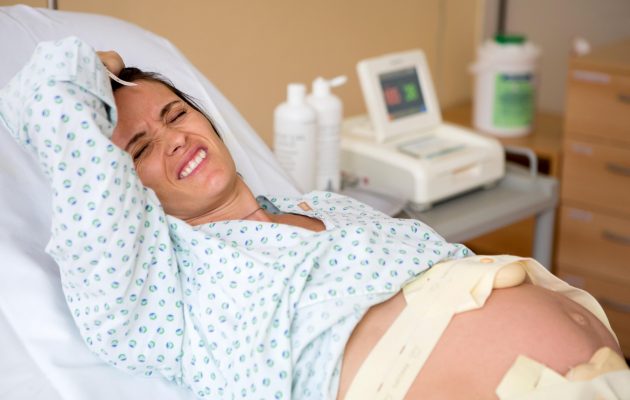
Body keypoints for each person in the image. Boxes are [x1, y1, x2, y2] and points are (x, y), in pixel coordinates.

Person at [0, 37, 627, 400]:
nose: (174, 140)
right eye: (139, 149)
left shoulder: (319, 207)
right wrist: (96, 65)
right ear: (119, 193)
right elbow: (49, 107)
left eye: (176, 115)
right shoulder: (157, 288)